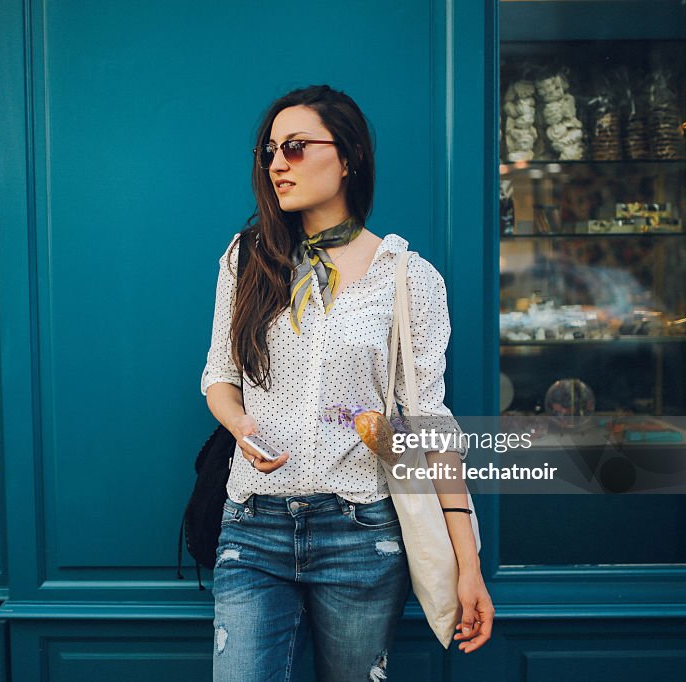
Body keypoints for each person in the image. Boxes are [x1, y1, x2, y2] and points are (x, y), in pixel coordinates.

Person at [201, 84, 493, 681]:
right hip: (253, 526)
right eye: (270, 151)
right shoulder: (246, 258)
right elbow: (218, 378)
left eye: (297, 147)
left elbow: (430, 427)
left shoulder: (407, 278)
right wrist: (240, 425)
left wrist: (468, 565)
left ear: (350, 156)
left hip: (360, 532)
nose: (279, 163)